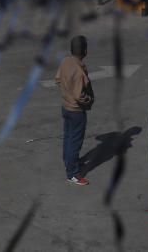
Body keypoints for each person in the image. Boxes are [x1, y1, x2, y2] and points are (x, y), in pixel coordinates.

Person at [55, 35, 94, 185]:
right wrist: (88, 100)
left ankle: (68, 161)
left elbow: (58, 79)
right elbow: (80, 95)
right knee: (75, 141)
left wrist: (67, 91)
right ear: (85, 51)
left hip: (65, 107)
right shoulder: (79, 70)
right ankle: (72, 173)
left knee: (68, 135)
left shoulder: (65, 61)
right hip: (76, 110)